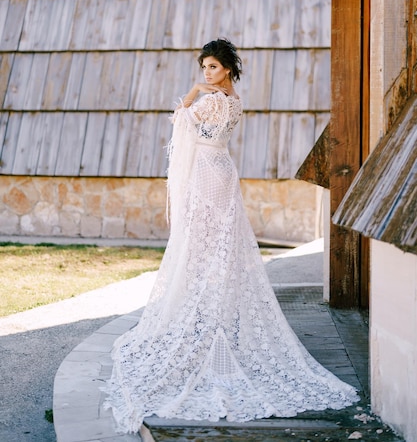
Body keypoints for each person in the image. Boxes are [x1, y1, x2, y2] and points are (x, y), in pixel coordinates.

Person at [103, 38, 359, 434]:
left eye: (213, 68)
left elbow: (179, 121)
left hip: (208, 174)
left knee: (204, 247)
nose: (206, 74)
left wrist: (192, 93)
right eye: (203, 68)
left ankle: (209, 323)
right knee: (216, 248)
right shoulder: (234, 101)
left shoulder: (212, 101)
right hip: (220, 170)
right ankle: (213, 313)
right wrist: (197, 94)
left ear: (228, 69)